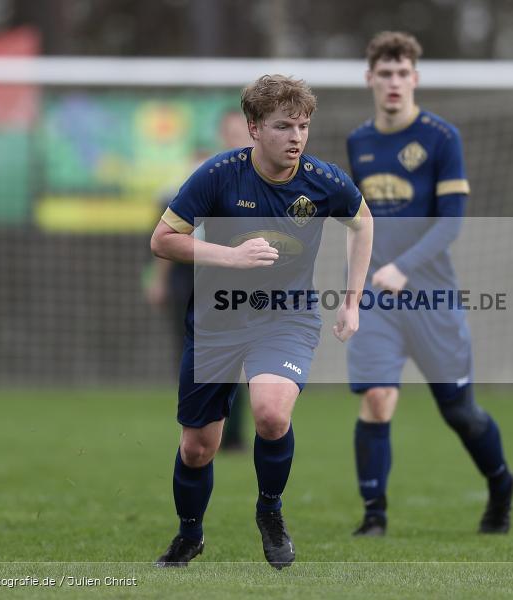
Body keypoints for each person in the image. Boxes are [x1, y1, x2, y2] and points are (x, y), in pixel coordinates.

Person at [150, 74, 373, 569]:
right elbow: (162, 241)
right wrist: (227, 257)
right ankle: (190, 535)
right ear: (253, 128)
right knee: (197, 448)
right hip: (218, 320)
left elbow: (364, 221)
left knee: (272, 414)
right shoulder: (218, 175)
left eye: (303, 126)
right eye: (282, 126)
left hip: (286, 318)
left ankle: (269, 511)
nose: (296, 137)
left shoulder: (323, 180)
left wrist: (353, 299)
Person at [345, 31, 513, 537]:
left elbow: (451, 223)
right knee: (377, 397)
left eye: (403, 74)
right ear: (370, 79)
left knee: (459, 413)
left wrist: (405, 267)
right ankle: (374, 516)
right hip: (376, 297)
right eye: (385, 73)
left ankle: (501, 484)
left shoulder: (442, 138)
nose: (394, 82)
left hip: (432, 297)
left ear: (414, 79)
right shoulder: (359, 142)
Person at [145, 108, 254, 451]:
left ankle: (231, 435)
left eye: (242, 132)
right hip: (190, 277)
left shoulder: (262, 179)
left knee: (235, 357)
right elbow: (168, 235)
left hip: (236, 281)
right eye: (230, 132)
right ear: (223, 135)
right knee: (193, 354)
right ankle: (197, 428)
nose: (235, 138)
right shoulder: (203, 176)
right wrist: (159, 280)